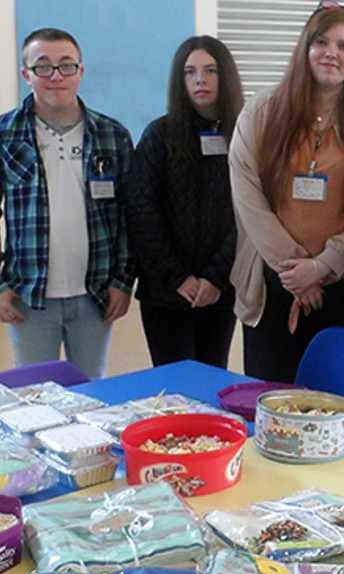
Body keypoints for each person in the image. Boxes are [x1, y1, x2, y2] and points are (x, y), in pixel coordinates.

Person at [229, 1, 344, 382]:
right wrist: (295, 268)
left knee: (341, 408)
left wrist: (323, 265)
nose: (331, 53)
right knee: (272, 409)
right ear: (305, 47)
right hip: (273, 285)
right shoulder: (263, 110)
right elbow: (246, 191)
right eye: (321, 41)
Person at [0, 27, 134, 380]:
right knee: (36, 401)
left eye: (66, 65)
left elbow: (129, 215)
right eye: (43, 66)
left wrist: (123, 281)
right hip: (29, 297)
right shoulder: (5, 135)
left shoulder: (112, 135)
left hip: (96, 295)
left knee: (90, 396)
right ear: (26, 75)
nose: (56, 75)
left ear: (81, 72)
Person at [127, 36, 243, 369]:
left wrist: (216, 277)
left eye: (210, 70)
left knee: (211, 381)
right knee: (176, 389)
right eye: (190, 72)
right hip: (166, 294)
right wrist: (179, 277)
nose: (200, 80)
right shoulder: (159, 135)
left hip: (220, 291)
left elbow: (249, 214)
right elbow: (142, 212)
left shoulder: (244, 135)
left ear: (226, 77)